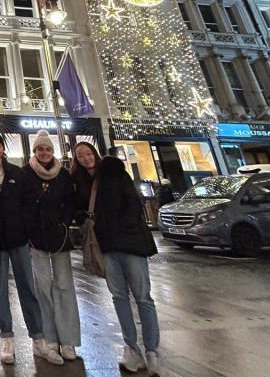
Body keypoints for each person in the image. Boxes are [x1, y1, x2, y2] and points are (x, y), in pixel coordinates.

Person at [0, 133, 48, 364]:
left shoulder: (16, 173)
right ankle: (6, 338)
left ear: (3, 148)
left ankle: (37, 336)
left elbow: (29, 202)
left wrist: (25, 230)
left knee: (27, 287)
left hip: (18, 239)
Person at [95, 156, 162, 377]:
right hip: (116, 249)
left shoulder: (115, 186)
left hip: (123, 248)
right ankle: (141, 350)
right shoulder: (113, 185)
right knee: (133, 298)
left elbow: (128, 213)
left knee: (134, 298)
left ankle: (145, 350)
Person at [20, 130, 81, 365]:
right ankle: (49, 338)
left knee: (64, 285)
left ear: (52, 151)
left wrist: (64, 223)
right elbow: (23, 204)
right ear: (34, 151)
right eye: (40, 149)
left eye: (47, 149)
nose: (44, 153)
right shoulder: (26, 174)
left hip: (59, 236)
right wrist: (29, 229)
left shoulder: (63, 175)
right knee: (42, 287)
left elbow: (70, 202)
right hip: (37, 237)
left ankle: (68, 339)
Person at [69, 140, 102, 222]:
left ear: (95, 153)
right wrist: (82, 218)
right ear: (77, 159)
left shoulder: (112, 173)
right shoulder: (74, 180)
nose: (86, 158)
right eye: (80, 156)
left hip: (117, 227)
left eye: (89, 154)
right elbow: (72, 205)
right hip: (93, 227)